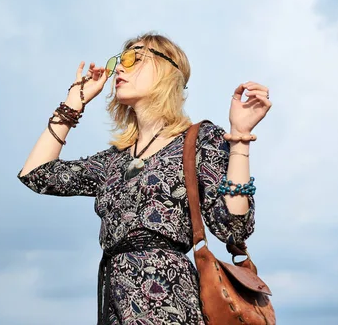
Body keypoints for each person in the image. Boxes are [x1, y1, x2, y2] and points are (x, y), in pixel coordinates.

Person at [18, 32, 272, 324]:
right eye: (119, 60)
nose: (119, 68)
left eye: (132, 58)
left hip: (169, 303)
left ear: (167, 70)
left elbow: (234, 228)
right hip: (114, 305)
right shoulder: (113, 160)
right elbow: (37, 174)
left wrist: (239, 138)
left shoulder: (198, 140)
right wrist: (74, 102)